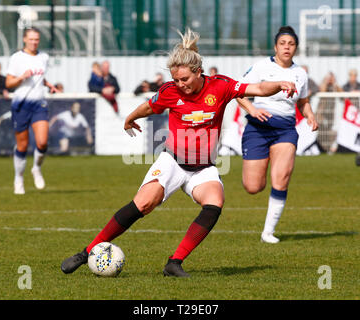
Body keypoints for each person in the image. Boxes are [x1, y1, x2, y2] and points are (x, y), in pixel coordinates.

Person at [60, 28, 296, 277]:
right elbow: (149, 107)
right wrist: (130, 118)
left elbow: (258, 89)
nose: (180, 85)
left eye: (184, 79)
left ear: (198, 72)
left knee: (215, 203)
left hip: (203, 168)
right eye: (176, 80)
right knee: (143, 204)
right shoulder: (170, 91)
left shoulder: (221, 86)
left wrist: (280, 84)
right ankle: (86, 253)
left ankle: (174, 263)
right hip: (172, 163)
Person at [237, 26, 318, 244]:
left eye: (291, 44)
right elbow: (238, 91)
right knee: (253, 187)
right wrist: (252, 109)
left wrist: (309, 115)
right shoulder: (261, 67)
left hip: (285, 130)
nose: (287, 47)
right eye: (283, 43)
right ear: (275, 46)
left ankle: (268, 232)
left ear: (296, 48)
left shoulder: (300, 73)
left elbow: (303, 101)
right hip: (258, 128)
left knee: (281, 179)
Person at [5, 27, 58, 195]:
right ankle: (18, 178)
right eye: (31, 39)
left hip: (39, 104)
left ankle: (36, 168)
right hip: (21, 105)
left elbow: (40, 77)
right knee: (23, 145)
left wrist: (49, 85)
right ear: (25, 40)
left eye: (37, 39)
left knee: (42, 142)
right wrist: (21, 77)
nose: (34, 42)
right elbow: (8, 83)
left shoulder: (44, 57)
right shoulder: (17, 58)